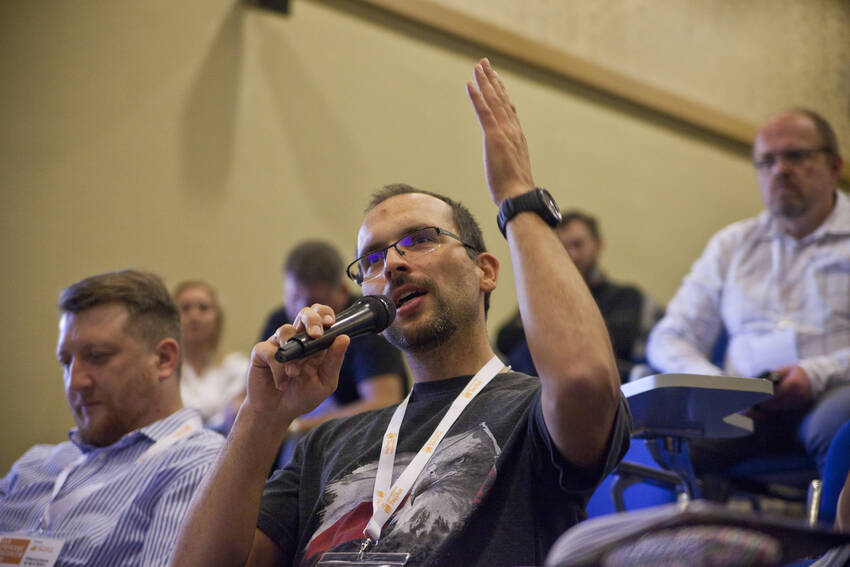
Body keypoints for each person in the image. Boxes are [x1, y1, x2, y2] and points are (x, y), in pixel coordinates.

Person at [171, 58, 630, 567]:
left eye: (420, 239)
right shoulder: (326, 443)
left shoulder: (531, 413)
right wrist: (261, 417)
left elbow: (584, 378)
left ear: (485, 271)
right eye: (371, 259)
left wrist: (517, 198)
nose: (391, 264)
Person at [646, 109, 850, 480]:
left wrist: (816, 374)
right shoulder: (733, 245)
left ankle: (830, 521)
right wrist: (718, 390)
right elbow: (670, 336)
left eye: (796, 156)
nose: (780, 170)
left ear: (834, 166)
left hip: (834, 391)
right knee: (669, 443)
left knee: (836, 428)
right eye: (767, 161)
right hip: (742, 407)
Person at [0, 270, 223, 567]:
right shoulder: (34, 465)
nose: (74, 382)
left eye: (98, 356)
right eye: (66, 362)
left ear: (163, 359)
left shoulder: (198, 465)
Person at [259, 240, 408, 458]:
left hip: (362, 445)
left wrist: (295, 427)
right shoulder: (280, 322)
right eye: (293, 298)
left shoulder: (368, 322)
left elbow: (384, 402)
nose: (300, 311)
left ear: (341, 291)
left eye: (312, 301)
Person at [497, 209, 662, 382]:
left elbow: (617, 345)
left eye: (578, 245)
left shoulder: (625, 297)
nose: (572, 255)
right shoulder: (543, 297)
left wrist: (545, 328)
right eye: (563, 247)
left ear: (598, 244)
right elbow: (505, 340)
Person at [175, 280, 249, 432]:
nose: (194, 316)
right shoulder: (163, 373)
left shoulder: (237, 367)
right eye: (185, 308)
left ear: (217, 318)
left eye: (203, 308)